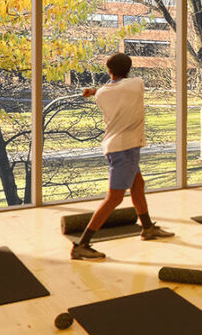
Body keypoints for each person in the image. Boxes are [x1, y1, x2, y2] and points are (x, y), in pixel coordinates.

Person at [71, 52, 173, 261]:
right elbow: (122, 87)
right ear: (129, 69)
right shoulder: (136, 84)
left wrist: (93, 90)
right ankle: (81, 245)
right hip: (124, 149)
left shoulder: (101, 94)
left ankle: (147, 228)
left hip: (120, 146)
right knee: (114, 198)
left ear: (109, 71)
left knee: (138, 185)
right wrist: (96, 90)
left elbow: (111, 88)